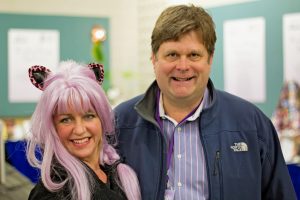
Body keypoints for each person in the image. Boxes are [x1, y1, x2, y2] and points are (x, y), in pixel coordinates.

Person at [114, 4, 297, 200]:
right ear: (153, 58)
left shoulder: (252, 125)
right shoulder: (119, 124)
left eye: (194, 55)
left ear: (210, 59)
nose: (183, 66)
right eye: (172, 54)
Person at [26, 60, 141, 200]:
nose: (79, 130)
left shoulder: (119, 175)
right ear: (53, 127)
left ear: (102, 119)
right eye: (66, 119)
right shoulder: (53, 193)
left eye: (89, 116)